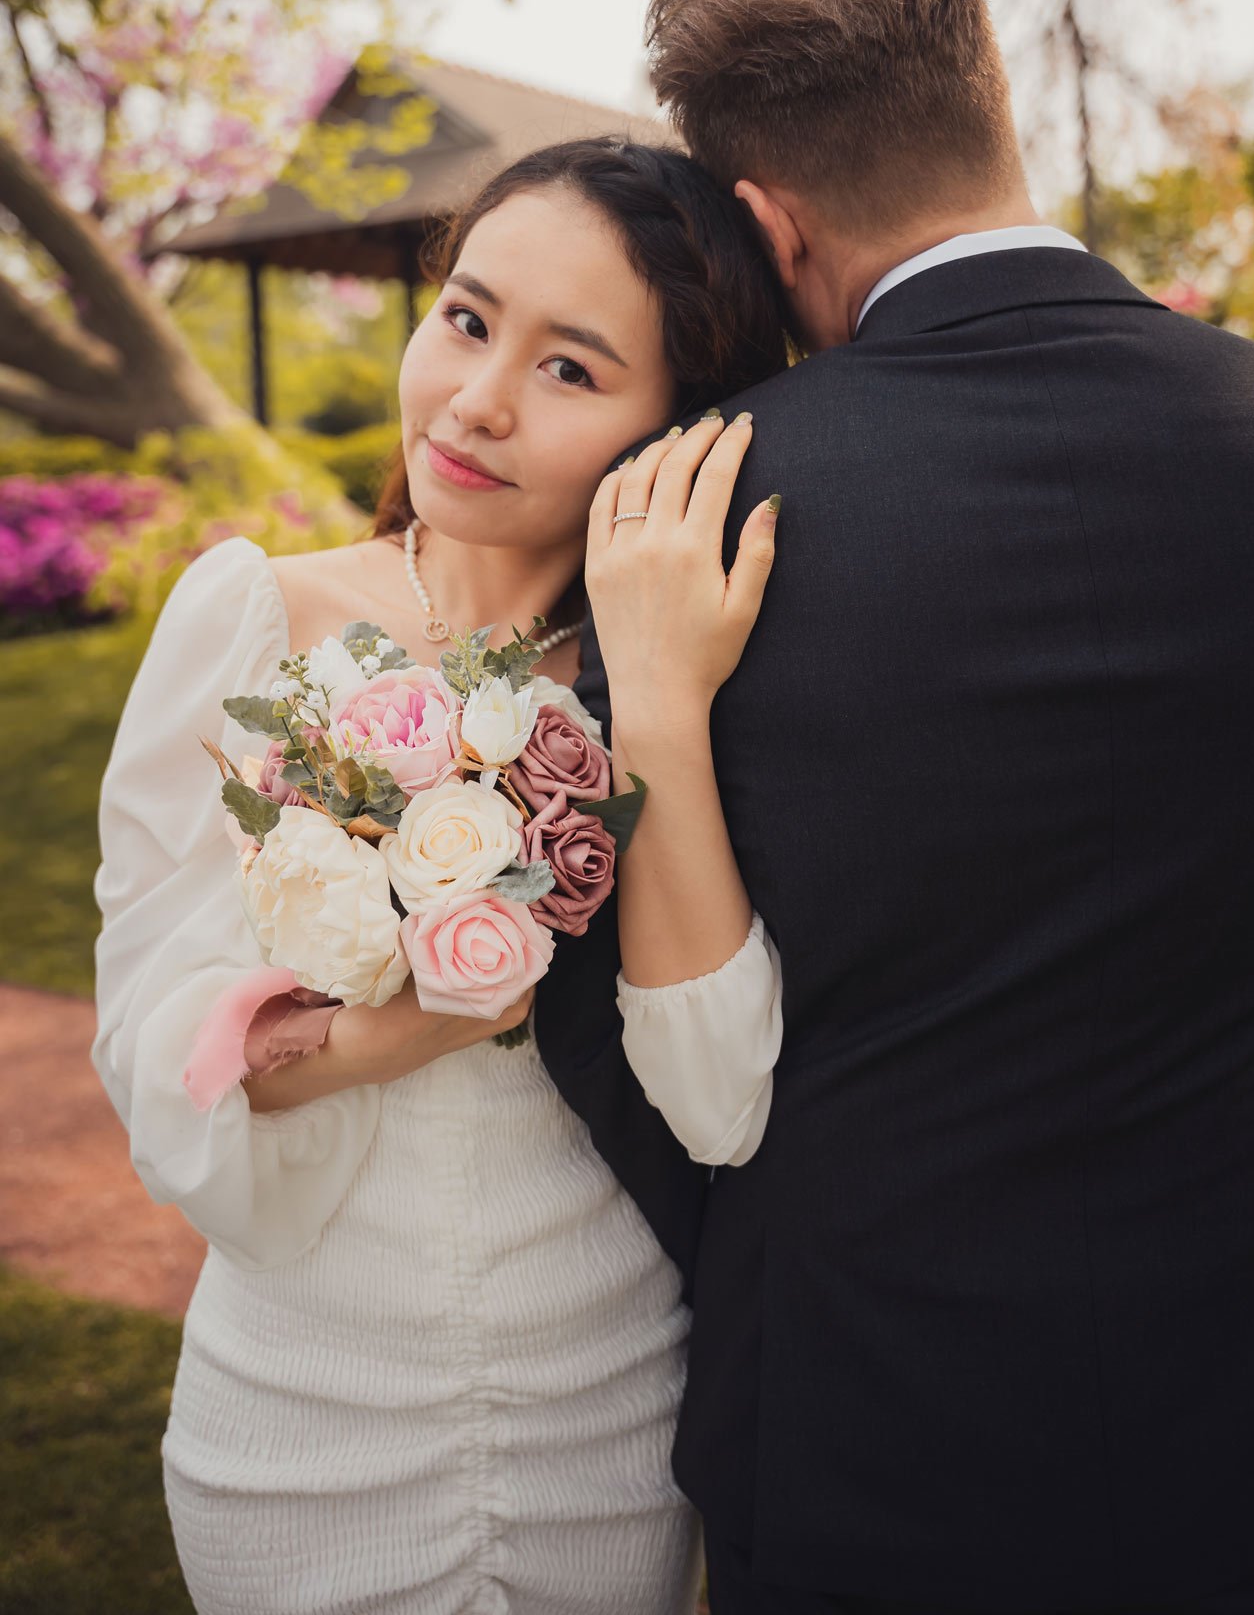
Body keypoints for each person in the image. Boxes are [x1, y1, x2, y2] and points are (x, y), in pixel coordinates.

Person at [536, 0, 1254, 1614]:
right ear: (992, 106)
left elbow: (598, 1008)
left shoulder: (687, 511)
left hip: (865, 1426)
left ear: (766, 221)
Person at [90, 136, 791, 1615]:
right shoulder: (255, 621)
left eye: (571, 371)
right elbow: (161, 1040)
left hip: (604, 1421)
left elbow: (722, 1096)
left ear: (674, 424)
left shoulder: (690, 681)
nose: (475, 400)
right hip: (299, 1412)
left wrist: (654, 711)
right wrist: (392, 1029)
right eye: (468, 319)